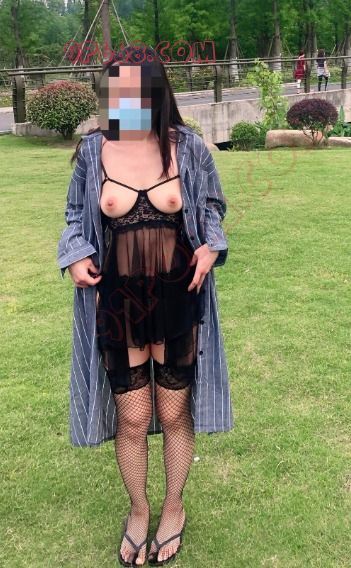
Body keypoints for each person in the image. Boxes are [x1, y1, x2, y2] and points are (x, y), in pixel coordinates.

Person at [57, 45, 233, 566]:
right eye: (117, 88)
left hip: (179, 298)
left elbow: (212, 208)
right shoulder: (93, 151)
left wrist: (211, 245)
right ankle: (139, 510)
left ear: (156, 92)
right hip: (118, 304)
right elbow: (74, 217)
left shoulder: (188, 147)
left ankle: (173, 506)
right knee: (132, 418)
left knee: (174, 412)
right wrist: (75, 253)